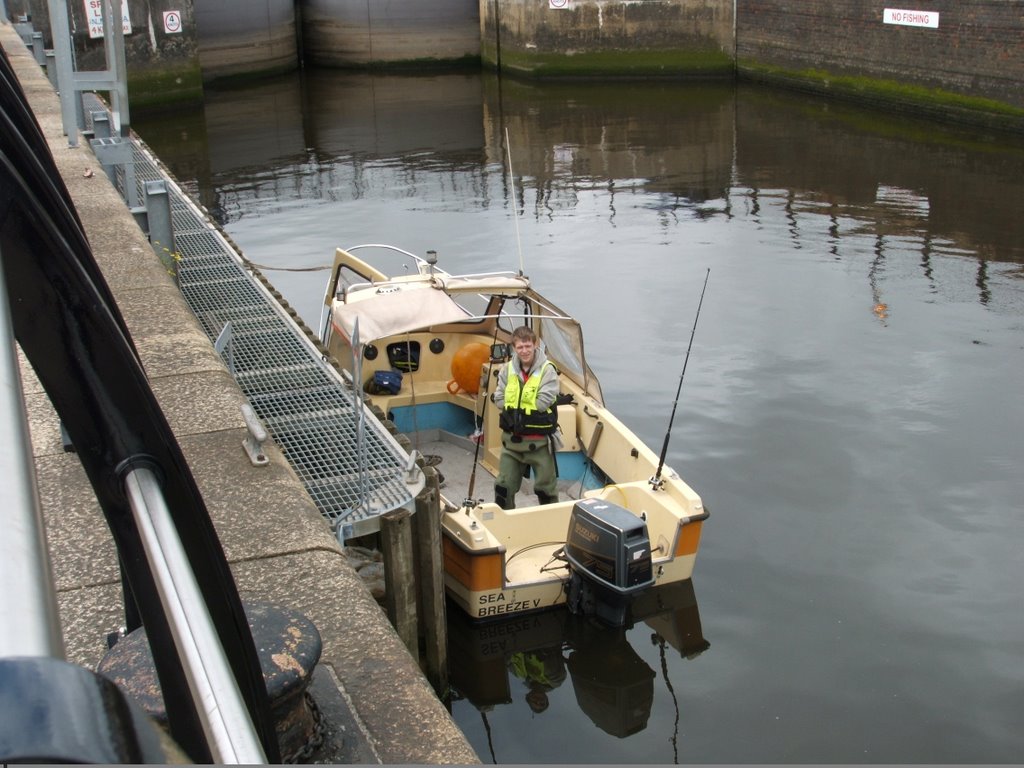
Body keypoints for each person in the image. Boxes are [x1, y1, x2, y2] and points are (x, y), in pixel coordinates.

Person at [493, 326, 560, 509]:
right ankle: (504, 524)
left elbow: (544, 400)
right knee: (502, 488)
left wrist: (518, 411)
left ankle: (550, 523)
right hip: (511, 444)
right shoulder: (507, 370)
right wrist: (515, 410)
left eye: (528, 346)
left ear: (535, 344)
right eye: (520, 347)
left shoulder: (548, 370)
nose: (524, 351)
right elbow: (498, 397)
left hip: (539, 444)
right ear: (514, 348)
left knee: (546, 490)